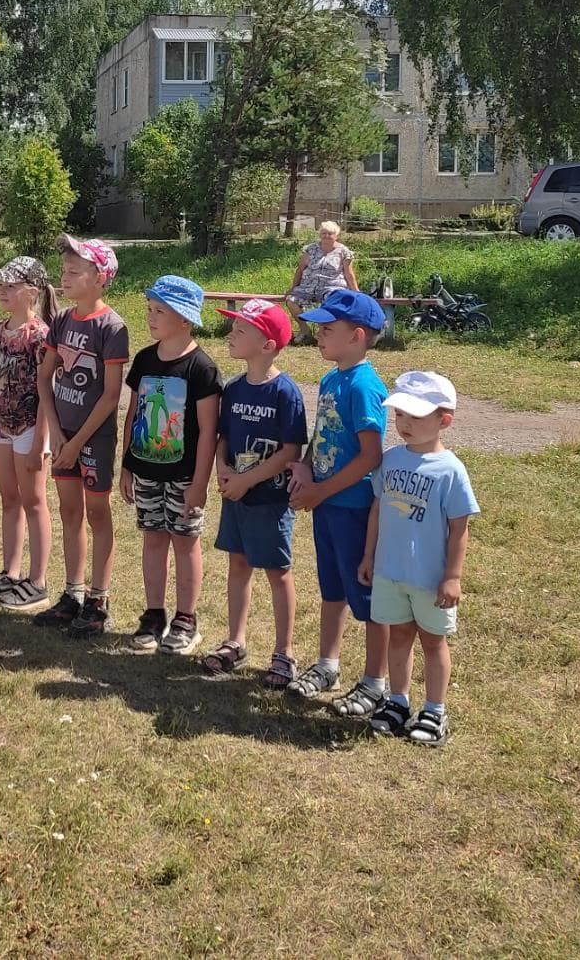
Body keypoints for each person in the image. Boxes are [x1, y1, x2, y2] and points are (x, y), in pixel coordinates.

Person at [285, 287, 391, 720]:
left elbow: (371, 457)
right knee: (332, 589)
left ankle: (375, 683)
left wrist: (321, 492)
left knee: (366, 598)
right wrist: (308, 469)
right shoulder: (331, 379)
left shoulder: (365, 386)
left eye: (327, 329)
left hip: (352, 507)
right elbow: (321, 435)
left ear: (357, 336)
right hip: (326, 504)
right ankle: (328, 664)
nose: (317, 336)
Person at [360, 371, 479, 746]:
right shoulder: (391, 460)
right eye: (399, 415)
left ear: (444, 420)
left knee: (433, 641)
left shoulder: (451, 471)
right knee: (399, 636)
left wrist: (452, 576)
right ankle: (397, 701)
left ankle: (435, 710)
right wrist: (369, 556)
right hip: (390, 571)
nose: (404, 424)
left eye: (415, 416)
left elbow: (460, 528)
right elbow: (377, 510)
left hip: (429, 577)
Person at [202, 299, 306, 682]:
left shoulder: (285, 392)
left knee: (278, 572)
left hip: (270, 501)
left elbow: (291, 451)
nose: (232, 334)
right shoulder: (233, 388)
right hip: (237, 497)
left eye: (241, 330)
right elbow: (223, 437)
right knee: (238, 565)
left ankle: (284, 652)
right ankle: (236, 640)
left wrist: (249, 479)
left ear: (267, 345)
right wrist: (224, 470)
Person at [121, 275, 222, 656]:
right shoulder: (145, 359)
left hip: (184, 476)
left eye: (159, 311)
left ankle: (186, 619)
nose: (150, 317)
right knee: (152, 539)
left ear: (184, 318)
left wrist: (200, 483)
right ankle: (153, 614)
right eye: (149, 309)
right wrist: (127, 465)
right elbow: (133, 414)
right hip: (146, 469)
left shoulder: (202, 368)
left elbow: (210, 430)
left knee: (185, 542)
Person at [34, 235, 128, 638]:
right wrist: (57, 433)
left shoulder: (112, 326)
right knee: (69, 513)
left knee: (97, 514)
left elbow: (110, 396)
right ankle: (72, 593)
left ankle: (97, 599)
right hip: (64, 436)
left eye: (75, 271)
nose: (65, 277)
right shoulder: (62, 321)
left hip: (94, 439)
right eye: (64, 270)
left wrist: (76, 443)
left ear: (100, 278)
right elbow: (44, 378)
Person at [0, 256, 56, 613]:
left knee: (34, 501)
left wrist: (41, 438)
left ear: (32, 292)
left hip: (30, 427)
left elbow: (47, 387)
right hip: (0, 427)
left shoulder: (41, 335)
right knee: (10, 499)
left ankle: (37, 580)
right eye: (0, 284)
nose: (1, 290)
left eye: (10, 285)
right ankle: (11, 570)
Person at [284, 221, 359, 341]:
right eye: (324, 233)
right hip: (308, 286)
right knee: (291, 300)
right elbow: (300, 270)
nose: (327, 236)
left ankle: (323, 333)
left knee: (332, 302)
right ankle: (305, 329)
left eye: (330, 233)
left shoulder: (343, 251)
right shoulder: (311, 249)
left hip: (332, 287)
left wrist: (356, 291)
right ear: (320, 234)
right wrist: (293, 288)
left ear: (336, 235)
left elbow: (349, 273)